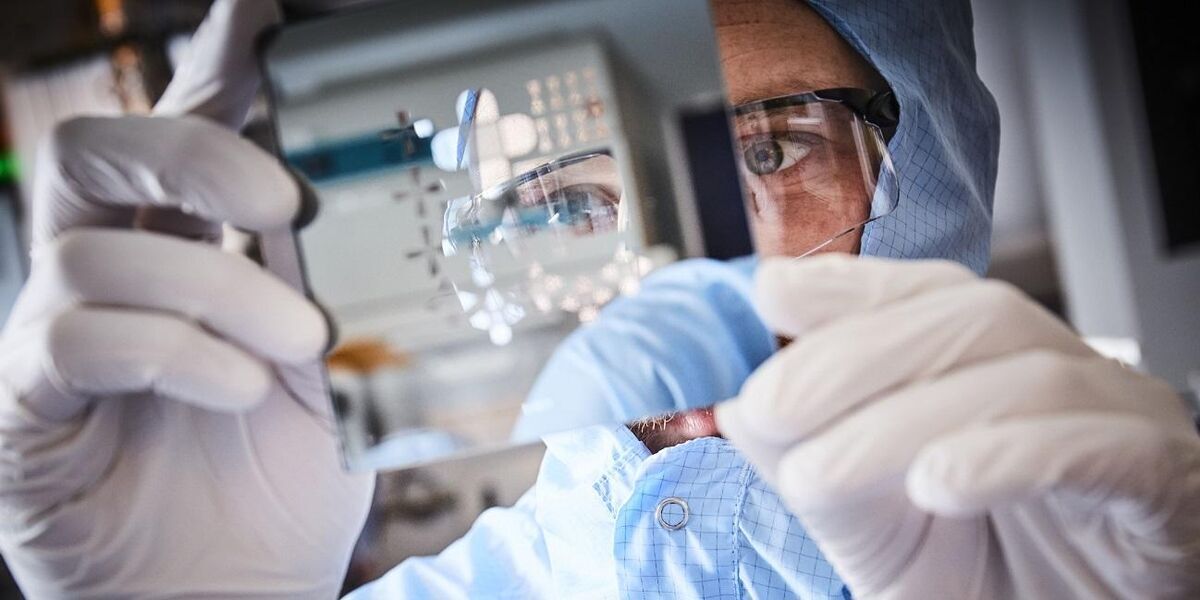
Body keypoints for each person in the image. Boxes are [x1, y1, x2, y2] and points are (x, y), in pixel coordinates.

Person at [0, 0, 1196, 598]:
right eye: (578, 202)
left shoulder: (1135, 528)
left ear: (926, 181)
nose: (677, 273)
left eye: (775, 153)